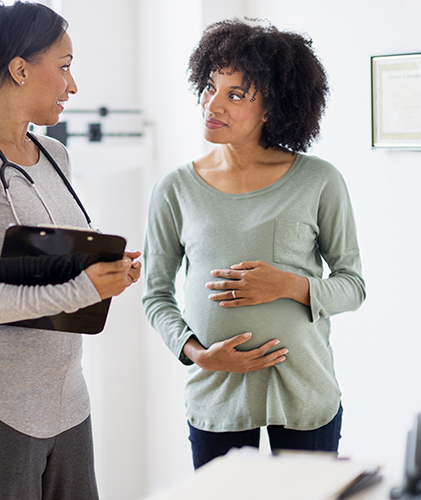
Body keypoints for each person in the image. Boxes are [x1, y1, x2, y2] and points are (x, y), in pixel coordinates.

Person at [0, 2, 140, 498]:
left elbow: (53, 264)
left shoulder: (54, 155)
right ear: (20, 70)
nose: (73, 84)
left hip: (65, 400)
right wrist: (77, 289)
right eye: (64, 67)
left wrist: (106, 273)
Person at [142, 19, 366, 470]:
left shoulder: (319, 180)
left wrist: (289, 285)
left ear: (271, 106)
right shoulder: (175, 189)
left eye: (235, 94)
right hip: (216, 398)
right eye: (209, 87)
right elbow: (156, 295)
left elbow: (352, 285)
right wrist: (197, 353)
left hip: (306, 397)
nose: (213, 103)